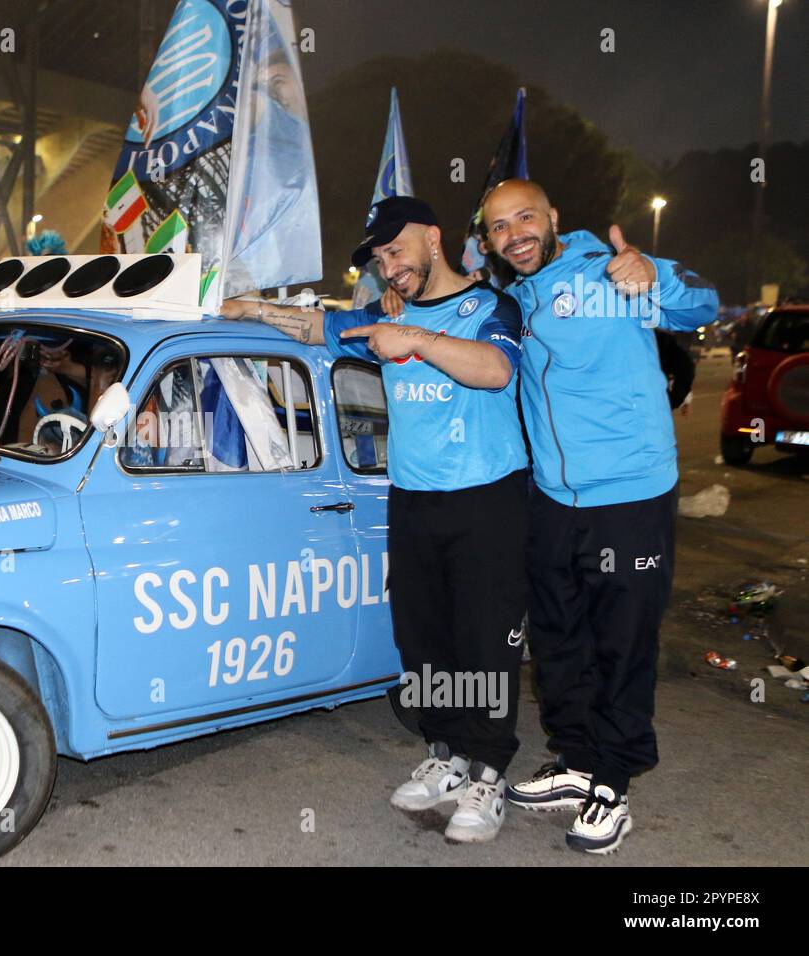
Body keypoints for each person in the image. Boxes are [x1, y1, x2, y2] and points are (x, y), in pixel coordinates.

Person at [220, 196, 529, 843]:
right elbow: (311, 327)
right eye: (380, 258)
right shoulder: (386, 312)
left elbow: (497, 371)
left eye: (396, 251)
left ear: (433, 239)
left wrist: (416, 337)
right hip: (413, 501)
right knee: (424, 639)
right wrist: (243, 307)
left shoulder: (491, 307)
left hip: (487, 501)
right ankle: (445, 756)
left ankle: (488, 774)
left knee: (484, 641)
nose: (389, 267)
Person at [473, 179, 718, 853]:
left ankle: (614, 780)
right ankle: (577, 760)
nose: (514, 232)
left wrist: (655, 277)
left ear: (553, 217)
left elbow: (702, 302)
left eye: (526, 217)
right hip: (553, 496)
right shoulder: (514, 297)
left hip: (630, 493)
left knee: (623, 640)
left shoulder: (610, 273)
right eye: (499, 226)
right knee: (557, 636)